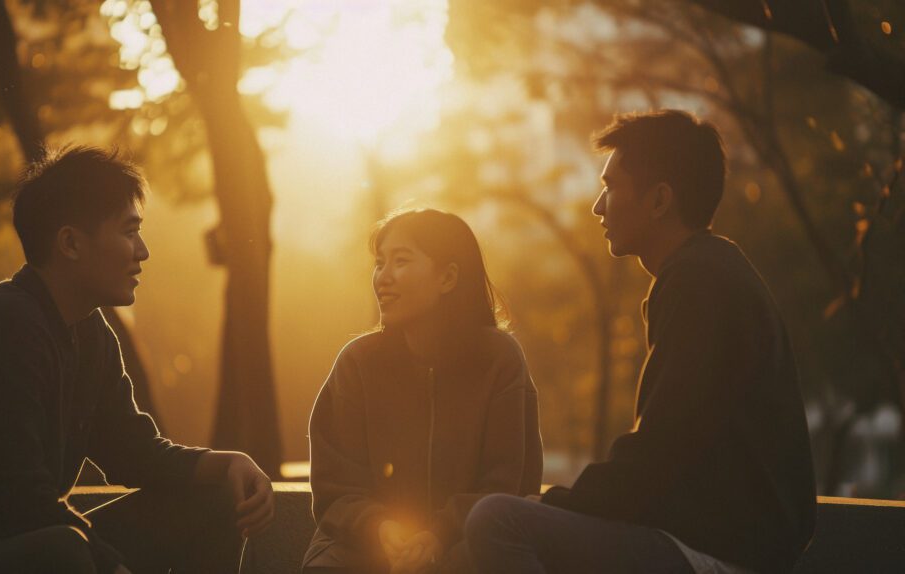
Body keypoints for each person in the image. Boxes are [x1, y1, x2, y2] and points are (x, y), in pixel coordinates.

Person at [0, 146, 274, 573]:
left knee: (215, 500)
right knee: (65, 551)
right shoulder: (4, 327)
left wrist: (228, 463)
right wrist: (110, 566)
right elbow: (18, 504)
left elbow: (135, 452)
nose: (142, 251)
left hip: (33, 543)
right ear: (70, 242)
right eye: (128, 232)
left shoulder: (90, 333)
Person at [465, 110, 817, 574]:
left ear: (659, 201)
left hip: (722, 555)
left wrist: (563, 501)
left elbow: (661, 447)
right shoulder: (710, 270)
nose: (597, 206)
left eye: (610, 187)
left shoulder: (700, 281)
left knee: (498, 520)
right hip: (716, 540)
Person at [303, 209, 543, 574]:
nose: (383, 277)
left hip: (465, 544)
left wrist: (439, 535)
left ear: (447, 277)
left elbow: (507, 482)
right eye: (380, 263)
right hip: (363, 547)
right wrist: (381, 528)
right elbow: (334, 486)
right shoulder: (358, 363)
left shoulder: (499, 360)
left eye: (400, 261)